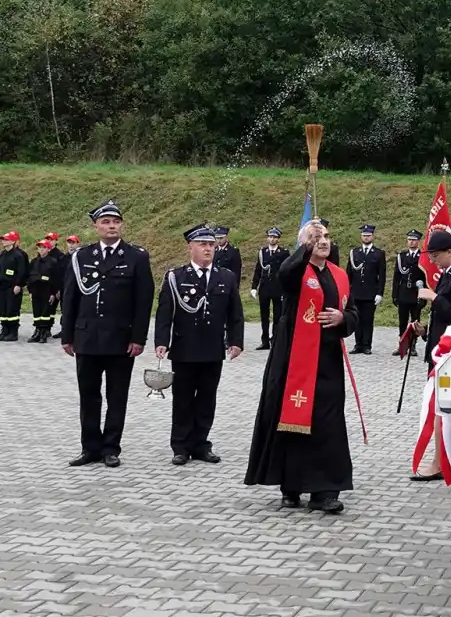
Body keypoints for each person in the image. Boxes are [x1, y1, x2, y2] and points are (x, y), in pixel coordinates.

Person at [245, 219, 359, 514]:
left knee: (328, 421)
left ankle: (325, 490)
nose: (323, 241)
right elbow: (285, 274)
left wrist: (343, 319)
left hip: (327, 361)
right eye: (315, 237)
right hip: (292, 358)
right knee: (292, 420)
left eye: (326, 236)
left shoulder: (338, 275)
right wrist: (306, 245)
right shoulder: (298, 272)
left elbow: (354, 311)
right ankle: (291, 486)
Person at [60, 200, 154, 468]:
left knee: (117, 396)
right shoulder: (81, 257)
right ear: (96, 226)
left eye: (115, 222)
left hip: (120, 340)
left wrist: (138, 338)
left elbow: (143, 301)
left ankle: (111, 448)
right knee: (88, 396)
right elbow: (70, 298)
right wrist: (67, 335)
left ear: (121, 225)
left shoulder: (136, 256)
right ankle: (90, 447)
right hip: (87, 338)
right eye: (105, 222)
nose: (111, 226)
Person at [155, 224, 245, 466]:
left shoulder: (225, 276)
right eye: (203, 245)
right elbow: (165, 312)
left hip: (212, 349)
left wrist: (236, 341)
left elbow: (235, 313)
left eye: (211, 245)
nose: (208, 249)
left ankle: (201, 444)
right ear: (190, 247)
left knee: (207, 398)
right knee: (182, 399)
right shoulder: (176, 277)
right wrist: (162, 341)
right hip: (184, 349)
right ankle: (181, 446)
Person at [410, 228, 451, 482]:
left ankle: (440, 462)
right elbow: (443, 318)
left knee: (439, 408)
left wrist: (434, 297)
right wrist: (423, 330)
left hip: (449, 354)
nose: (433, 259)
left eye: (436, 254)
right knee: (445, 408)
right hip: (439, 349)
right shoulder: (448, 274)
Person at [346, 223, 386, 355]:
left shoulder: (379, 254)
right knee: (357, 319)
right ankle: (358, 344)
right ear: (361, 237)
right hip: (356, 292)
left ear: (373, 236)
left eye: (368, 235)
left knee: (368, 320)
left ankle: (367, 345)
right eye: (364, 235)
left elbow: (382, 275)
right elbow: (348, 274)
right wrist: (347, 291)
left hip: (370, 293)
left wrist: (380, 293)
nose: (366, 237)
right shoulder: (354, 253)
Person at [250, 227, 289, 350]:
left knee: (278, 315)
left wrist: (286, 288)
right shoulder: (263, 252)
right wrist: (254, 287)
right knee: (264, 315)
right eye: (270, 237)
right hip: (265, 287)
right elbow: (258, 270)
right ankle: (265, 340)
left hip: (278, 288)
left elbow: (286, 271)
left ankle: (275, 339)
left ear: (278, 239)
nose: (272, 239)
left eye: (274, 237)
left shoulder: (284, 253)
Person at [392, 229, 425, 355]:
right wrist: (395, 295)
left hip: (416, 293)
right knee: (402, 321)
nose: (411, 242)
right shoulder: (402, 256)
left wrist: (424, 296)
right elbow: (396, 278)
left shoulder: (422, 257)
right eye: (410, 240)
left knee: (415, 321)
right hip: (404, 293)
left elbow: (425, 277)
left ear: (418, 241)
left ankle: (412, 346)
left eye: (414, 240)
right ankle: (402, 345)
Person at [26, 238, 59, 343]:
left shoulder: (53, 262)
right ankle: (37, 331)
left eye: (44, 247)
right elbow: (29, 277)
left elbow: (55, 279)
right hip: (35, 290)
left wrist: (53, 293)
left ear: (48, 249)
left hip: (47, 291)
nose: (41, 249)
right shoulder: (34, 261)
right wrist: (30, 291)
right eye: (39, 247)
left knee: (45, 312)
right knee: (37, 312)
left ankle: (43, 332)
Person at [0, 230, 28, 342]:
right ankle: (5, 329)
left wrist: (19, 284)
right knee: (3, 309)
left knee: (12, 309)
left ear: (13, 242)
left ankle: (13, 332)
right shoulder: (2, 254)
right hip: (2, 286)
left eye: (6, 240)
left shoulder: (18, 255)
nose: (3, 241)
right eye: (3, 239)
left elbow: (22, 272)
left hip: (13, 287)